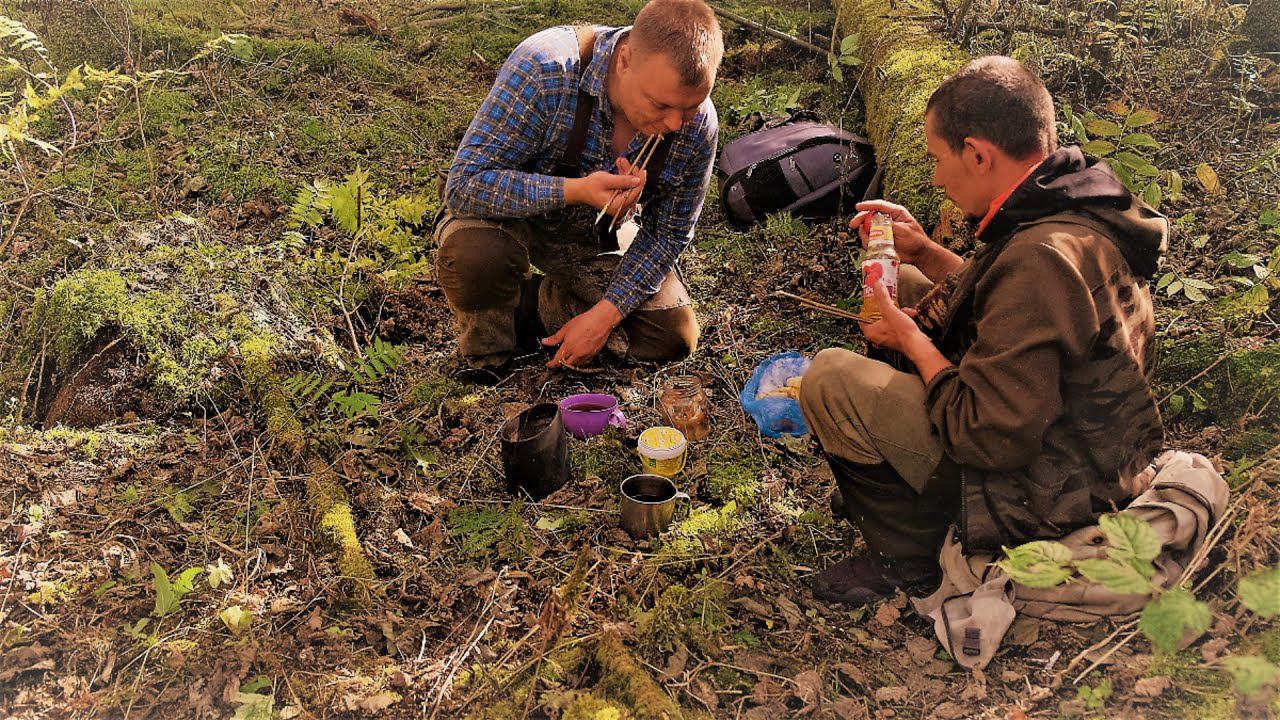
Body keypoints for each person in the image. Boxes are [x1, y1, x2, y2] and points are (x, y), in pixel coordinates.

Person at [799, 56, 1169, 604]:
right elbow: (1006, 298)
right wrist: (923, 250)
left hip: (1057, 493)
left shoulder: (1040, 256)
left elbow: (988, 434)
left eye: (938, 159)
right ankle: (895, 474)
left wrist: (911, 341)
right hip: (1093, 448)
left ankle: (907, 559)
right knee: (914, 279)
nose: (935, 178)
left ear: (977, 154)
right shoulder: (1074, 203)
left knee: (830, 378)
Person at [433, 0, 723, 379]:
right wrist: (578, 190)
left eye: (689, 108)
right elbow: (465, 185)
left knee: (673, 334)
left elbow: (668, 234)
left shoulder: (698, 126)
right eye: (661, 105)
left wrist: (604, 317)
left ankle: (532, 307)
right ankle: (492, 342)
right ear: (624, 60)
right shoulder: (545, 69)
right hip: (506, 220)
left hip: (592, 237)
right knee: (477, 257)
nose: (673, 123)